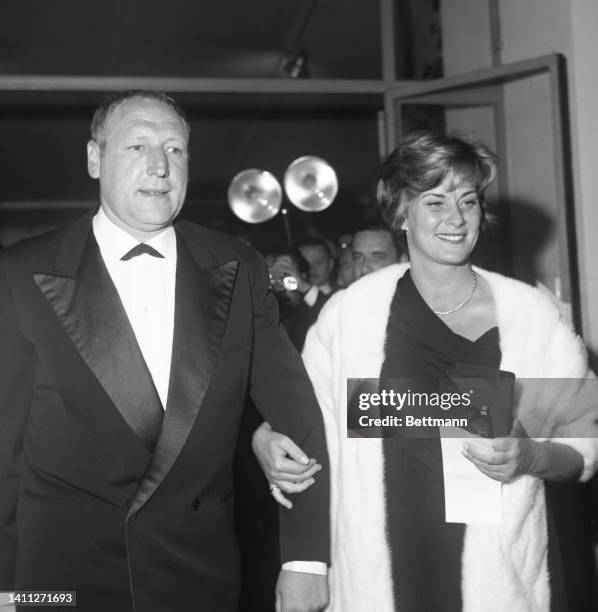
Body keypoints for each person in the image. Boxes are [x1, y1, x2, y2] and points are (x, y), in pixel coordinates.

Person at [0, 90, 330, 612]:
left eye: (174, 150)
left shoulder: (238, 266)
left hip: (198, 577)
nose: (158, 165)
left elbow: (297, 410)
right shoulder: (20, 274)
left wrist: (306, 560)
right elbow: (5, 453)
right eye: (136, 147)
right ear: (94, 159)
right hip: (60, 584)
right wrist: (9, 594)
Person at [254, 131, 598, 610]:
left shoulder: (529, 317)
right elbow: (310, 431)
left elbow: (585, 444)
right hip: (376, 580)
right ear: (401, 213)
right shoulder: (350, 316)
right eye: (434, 202)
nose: (456, 218)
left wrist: (529, 457)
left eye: (469, 201)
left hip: (498, 582)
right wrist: (266, 442)